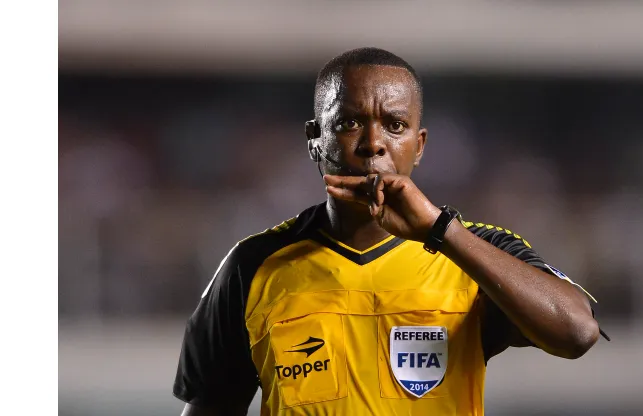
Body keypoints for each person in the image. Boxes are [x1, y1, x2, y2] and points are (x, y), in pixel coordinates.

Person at [173, 47, 608, 416]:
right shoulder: (252, 267)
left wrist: (441, 231)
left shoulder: (474, 251)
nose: (373, 142)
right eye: (348, 123)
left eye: (394, 125)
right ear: (314, 138)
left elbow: (577, 333)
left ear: (419, 147)